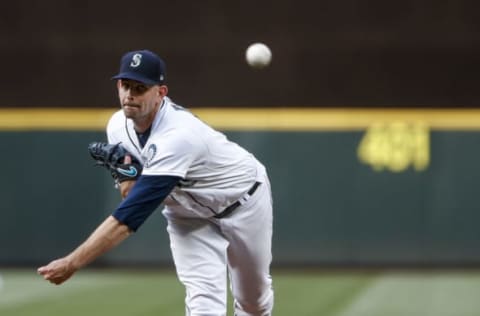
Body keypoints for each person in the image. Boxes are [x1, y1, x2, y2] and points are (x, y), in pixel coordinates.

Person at [38, 49, 274, 316]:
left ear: (161, 93)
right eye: (126, 85)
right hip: (186, 212)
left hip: (243, 200)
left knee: (253, 302)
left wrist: (72, 263)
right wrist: (126, 172)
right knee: (203, 301)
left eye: (140, 88)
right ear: (118, 86)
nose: (130, 94)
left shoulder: (178, 135)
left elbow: (129, 217)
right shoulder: (117, 126)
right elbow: (130, 195)